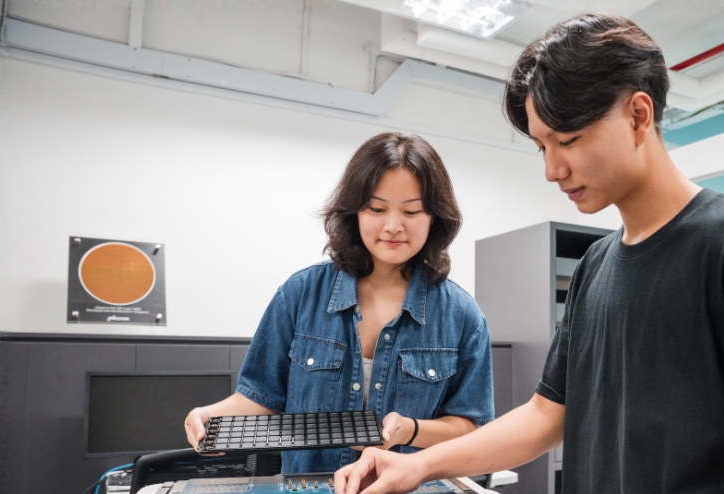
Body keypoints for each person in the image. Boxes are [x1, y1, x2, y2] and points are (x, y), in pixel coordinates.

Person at [335, 14, 724, 494]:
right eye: (542, 146)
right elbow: (547, 416)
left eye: (568, 141)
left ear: (638, 116)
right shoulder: (596, 265)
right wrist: (417, 466)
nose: (553, 169)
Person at [184, 132, 494, 473]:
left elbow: (472, 428)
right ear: (354, 211)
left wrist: (410, 430)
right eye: (377, 209)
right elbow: (260, 397)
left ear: (434, 216)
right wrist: (209, 416)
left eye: (411, 211)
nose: (393, 226)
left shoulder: (462, 316)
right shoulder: (299, 294)